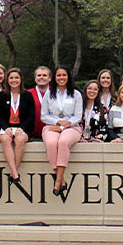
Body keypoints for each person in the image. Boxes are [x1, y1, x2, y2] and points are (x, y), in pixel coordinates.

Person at [41, 67, 83, 196]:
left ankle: (58, 180)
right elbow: (44, 115)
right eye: (58, 75)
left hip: (72, 127)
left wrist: (64, 126)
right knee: (52, 143)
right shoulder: (49, 93)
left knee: (63, 142)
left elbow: (78, 115)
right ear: (54, 77)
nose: (61, 78)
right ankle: (62, 180)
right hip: (52, 126)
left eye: (64, 75)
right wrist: (57, 123)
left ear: (68, 77)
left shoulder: (76, 94)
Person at [0, 68, 36, 181]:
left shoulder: (27, 95)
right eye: (11, 78)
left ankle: (14, 171)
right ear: (7, 80)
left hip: (22, 127)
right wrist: (6, 128)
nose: (14, 80)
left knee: (19, 140)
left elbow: (31, 115)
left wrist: (22, 128)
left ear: (21, 80)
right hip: (6, 127)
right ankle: (15, 173)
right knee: (6, 140)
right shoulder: (2, 95)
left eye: (16, 78)